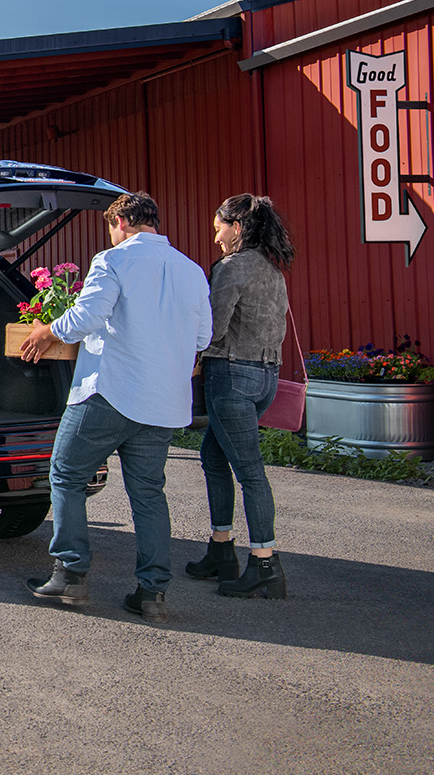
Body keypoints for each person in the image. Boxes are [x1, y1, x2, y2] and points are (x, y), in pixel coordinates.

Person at [21, 192, 212, 623]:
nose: (111, 235)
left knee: (66, 475)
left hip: (111, 392)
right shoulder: (192, 271)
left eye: (111, 226)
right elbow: (202, 339)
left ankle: (70, 575)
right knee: (148, 494)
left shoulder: (113, 261)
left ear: (123, 221)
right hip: (164, 402)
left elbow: (87, 318)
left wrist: (48, 329)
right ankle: (152, 593)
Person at [185, 193, 295, 599]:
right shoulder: (273, 270)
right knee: (213, 456)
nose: (215, 238)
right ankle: (220, 551)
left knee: (250, 472)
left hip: (231, 375)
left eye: (219, 229)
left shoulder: (231, 269)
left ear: (238, 227)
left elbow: (211, 329)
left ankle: (265, 564)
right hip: (266, 377)